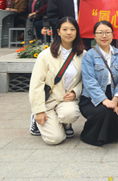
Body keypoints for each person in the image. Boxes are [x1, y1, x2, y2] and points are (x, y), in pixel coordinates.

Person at [29, 17, 84, 145]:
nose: (68, 32)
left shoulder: (82, 54)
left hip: (66, 100)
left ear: (77, 32)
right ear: (58, 32)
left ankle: (65, 124)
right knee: (54, 139)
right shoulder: (45, 55)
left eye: (72, 29)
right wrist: (38, 110)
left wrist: (75, 92)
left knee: (70, 113)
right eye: (65, 29)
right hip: (48, 101)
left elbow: (84, 80)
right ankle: (35, 119)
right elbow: (36, 84)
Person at [79, 21, 118, 146]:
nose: (104, 36)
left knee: (117, 114)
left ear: (113, 35)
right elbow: (89, 82)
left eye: (107, 32)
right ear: (94, 36)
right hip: (92, 98)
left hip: (113, 94)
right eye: (100, 33)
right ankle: (89, 136)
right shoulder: (88, 56)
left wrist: (115, 100)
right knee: (104, 111)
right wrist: (104, 100)